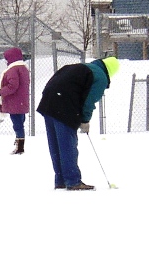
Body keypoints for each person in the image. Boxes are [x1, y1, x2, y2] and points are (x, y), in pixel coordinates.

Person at [37, 56, 120, 191]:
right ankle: (73, 181)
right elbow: (89, 101)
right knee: (67, 145)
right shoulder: (100, 77)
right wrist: (85, 120)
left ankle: (61, 180)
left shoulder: (84, 67)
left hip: (48, 101)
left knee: (56, 144)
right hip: (64, 105)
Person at [0, 47, 30, 155]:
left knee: (17, 124)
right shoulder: (24, 68)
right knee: (20, 122)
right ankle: (19, 141)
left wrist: (0, 92)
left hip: (15, 102)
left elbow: (12, 86)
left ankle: (20, 146)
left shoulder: (13, 69)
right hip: (22, 100)